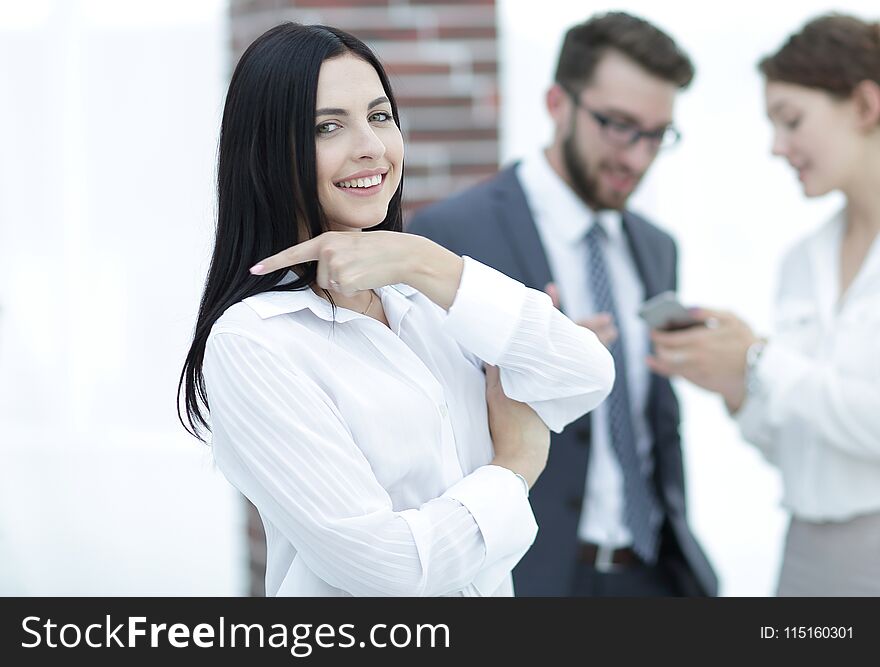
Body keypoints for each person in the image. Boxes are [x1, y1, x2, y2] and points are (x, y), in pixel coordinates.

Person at [177, 22, 614, 597]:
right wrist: (513, 469)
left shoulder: (425, 296)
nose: (371, 148)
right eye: (327, 126)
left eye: (380, 116)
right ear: (265, 154)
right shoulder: (254, 342)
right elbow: (387, 569)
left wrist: (424, 261)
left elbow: (586, 373)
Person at [409, 12, 717, 597]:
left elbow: (656, 420)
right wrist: (535, 352)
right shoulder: (454, 234)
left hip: (655, 575)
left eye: (657, 135)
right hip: (531, 576)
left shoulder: (655, 246)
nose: (637, 157)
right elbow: (423, 421)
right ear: (557, 103)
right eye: (619, 126)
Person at [649, 14, 880, 596]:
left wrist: (758, 357)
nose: (778, 147)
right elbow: (791, 440)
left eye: (791, 120)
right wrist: (734, 385)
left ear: (865, 105)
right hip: (806, 550)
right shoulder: (803, 260)